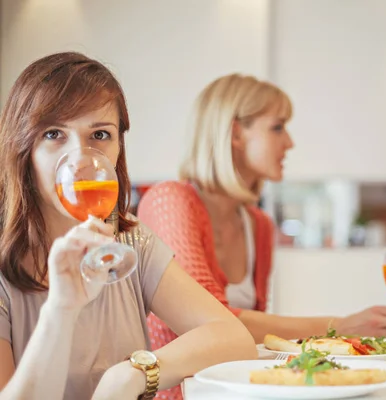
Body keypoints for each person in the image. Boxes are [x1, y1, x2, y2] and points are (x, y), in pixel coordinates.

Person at [138, 73, 386, 399]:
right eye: (277, 127)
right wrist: (338, 326)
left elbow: (253, 342)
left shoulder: (259, 225)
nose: (290, 142)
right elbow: (217, 326)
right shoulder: (170, 200)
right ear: (234, 133)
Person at [0, 52, 257, 400]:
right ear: (22, 147)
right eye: (54, 134)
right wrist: (61, 308)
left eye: (100, 134)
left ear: (119, 148)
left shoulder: (133, 243)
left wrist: (135, 372)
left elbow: (232, 336)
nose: (81, 161)